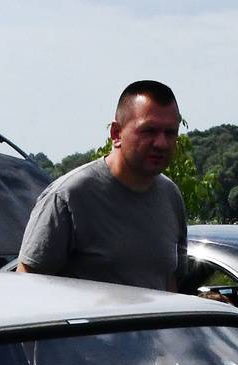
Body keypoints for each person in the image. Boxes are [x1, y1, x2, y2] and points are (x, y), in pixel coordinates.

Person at [17, 79, 187, 293]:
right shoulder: (69, 197)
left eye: (170, 133)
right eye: (149, 131)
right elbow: (28, 287)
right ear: (116, 134)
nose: (161, 143)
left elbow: (169, 282)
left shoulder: (171, 197)